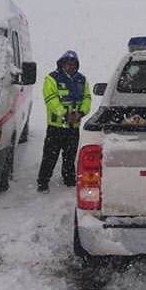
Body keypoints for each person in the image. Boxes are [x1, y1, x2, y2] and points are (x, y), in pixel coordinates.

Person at [36, 50, 91, 192]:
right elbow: (51, 100)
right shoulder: (52, 78)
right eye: (67, 63)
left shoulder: (82, 80)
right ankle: (43, 182)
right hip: (56, 126)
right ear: (62, 64)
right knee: (50, 156)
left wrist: (81, 113)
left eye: (73, 64)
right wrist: (65, 114)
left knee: (70, 155)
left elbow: (87, 98)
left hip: (74, 127)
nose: (70, 66)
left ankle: (69, 179)